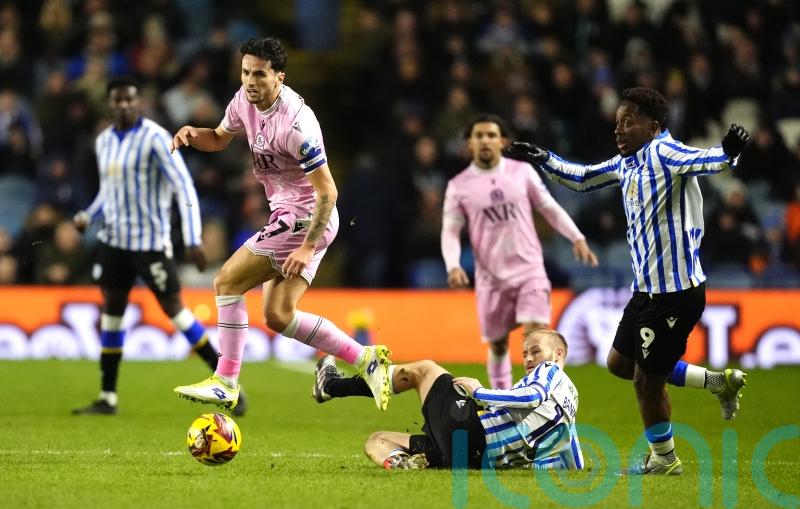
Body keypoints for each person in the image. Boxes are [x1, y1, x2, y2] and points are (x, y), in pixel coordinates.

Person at [506, 87, 751, 475]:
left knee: (645, 383)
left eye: (628, 122)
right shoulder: (628, 163)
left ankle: (664, 460)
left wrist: (729, 151)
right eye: (617, 122)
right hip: (646, 291)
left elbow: (710, 161)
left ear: (652, 127)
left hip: (676, 293)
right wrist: (544, 157)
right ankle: (717, 382)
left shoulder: (665, 153)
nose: (618, 130)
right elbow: (584, 179)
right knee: (620, 363)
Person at [169, 37, 392, 411]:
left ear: (279, 77)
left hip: (307, 218)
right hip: (290, 215)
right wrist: (195, 134)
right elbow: (220, 139)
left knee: (226, 281)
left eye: (259, 74)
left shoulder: (297, 126)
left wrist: (307, 246)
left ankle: (225, 380)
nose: (250, 81)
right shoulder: (244, 100)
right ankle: (367, 359)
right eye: (245, 73)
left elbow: (328, 193)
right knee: (277, 315)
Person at [71, 77, 248, 416]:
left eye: (130, 100)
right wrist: (87, 215)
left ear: (139, 103)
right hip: (113, 242)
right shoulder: (105, 141)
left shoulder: (155, 138)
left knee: (175, 311)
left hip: (149, 243)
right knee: (112, 312)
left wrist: (193, 237)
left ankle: (228, 384)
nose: (124, 106)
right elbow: (108, 193)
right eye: (118, 101)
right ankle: (107, 397)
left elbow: (183, 186)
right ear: (110, 104)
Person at [441, 114, 598, 390]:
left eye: (491, 135)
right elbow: (451, 229)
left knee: (536, 336)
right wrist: (453, 264)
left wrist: (576, 236)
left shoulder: (522, 173)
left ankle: (538, 400)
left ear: (502, 141)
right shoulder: (459, 185)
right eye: (479, 136)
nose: (485, 140)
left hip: (529, 271)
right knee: (498, 344)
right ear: (469, 143)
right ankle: (502, 401)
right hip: (491, 277)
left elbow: (547, 207)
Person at [312, 328, 584, 470]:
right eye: (525, 354)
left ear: (558, 353)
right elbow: (572, 453)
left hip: (471, 437)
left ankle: (333, 385)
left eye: (535, 351)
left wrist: (479, 392)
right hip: (471, 461)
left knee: (425, 370)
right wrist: (576, 469)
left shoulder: (550, 373)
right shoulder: (570, 401)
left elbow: (531, 396)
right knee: (378, 440)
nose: (528, 359)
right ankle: (405, 465)